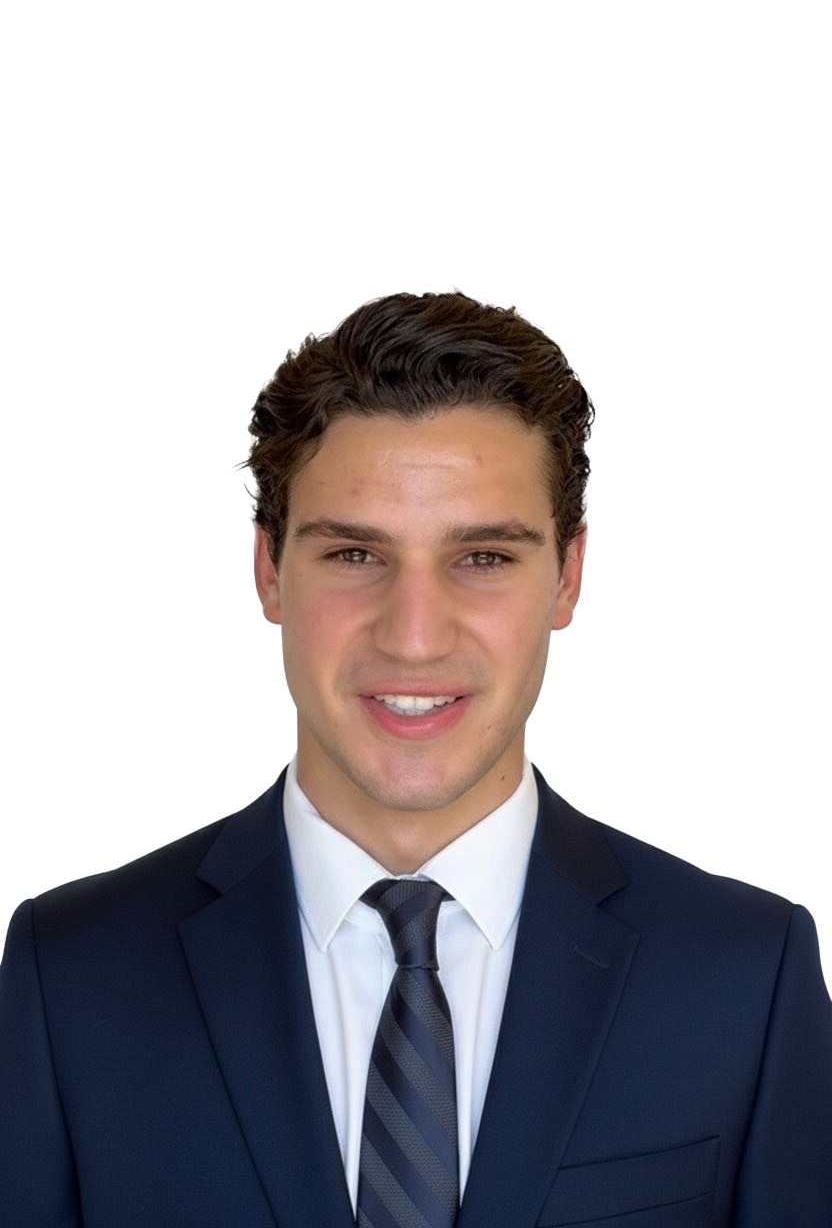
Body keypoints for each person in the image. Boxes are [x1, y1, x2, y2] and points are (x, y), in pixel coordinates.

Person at [1, 291, 830, 1228]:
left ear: (568, 576)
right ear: (269, 570)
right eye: (356, 553)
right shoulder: (70, 978)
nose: (415, 635)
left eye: (482, 558)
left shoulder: (744, 979)